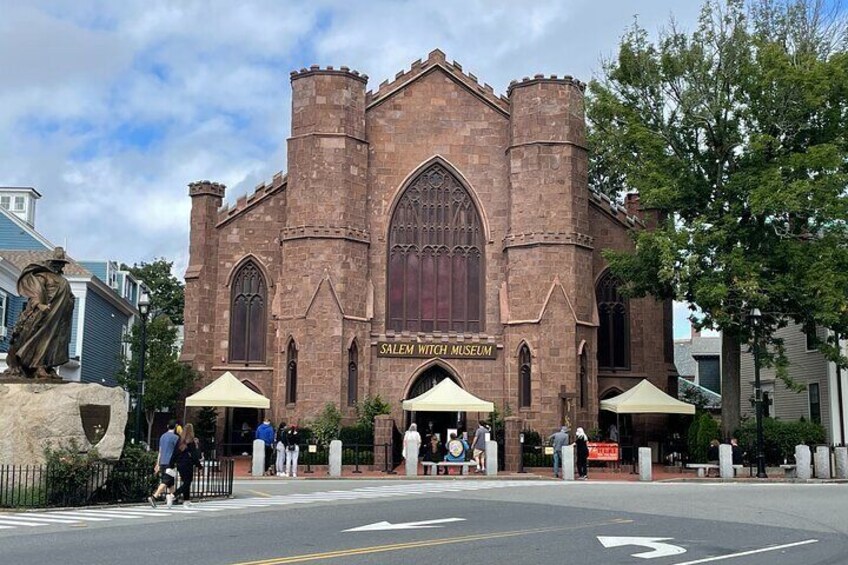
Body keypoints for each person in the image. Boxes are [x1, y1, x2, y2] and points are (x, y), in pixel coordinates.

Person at [3, 247, 75, 380]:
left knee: (56, 341)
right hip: (45, 315)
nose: (59, 266)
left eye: (61, 263)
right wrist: (40, 305)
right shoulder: (43, 276)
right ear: (51, 263)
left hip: (59, 317)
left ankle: (49, 366)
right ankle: (38, 366)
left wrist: (70, 302)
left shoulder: (63, 281)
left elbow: (69, 296)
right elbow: (35, 292)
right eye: (56, 263)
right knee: (42, 339)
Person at [170, 423, 203, 508]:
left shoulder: (180, 440)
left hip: (180, 464)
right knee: (187, 482)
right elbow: (194, 456)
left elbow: (175, 453)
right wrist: (199, 466)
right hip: (188, 464)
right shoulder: (191, 441)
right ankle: (173, 495)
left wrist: (171, 464)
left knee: (185, 482)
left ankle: (186, 500)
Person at [149, 420, 180, 508]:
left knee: (170, 482)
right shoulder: (175, 438)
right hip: (170, 462)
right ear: (176, 426)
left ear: (167, 426)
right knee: (166, 481)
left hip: (162, 461)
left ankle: (174, 497)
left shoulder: (162, 436)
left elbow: (160, 451)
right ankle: (154, 497)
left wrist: (157, 463)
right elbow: (177, 451)